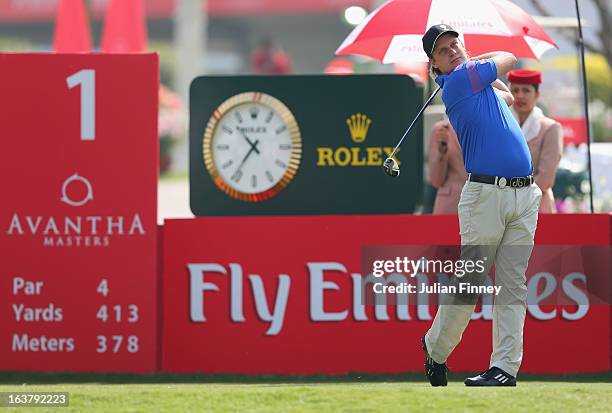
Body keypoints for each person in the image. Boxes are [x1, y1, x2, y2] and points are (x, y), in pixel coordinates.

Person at [420, 24, 542, 387]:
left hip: (524, 194)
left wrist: (477, 68)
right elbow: (509, 58)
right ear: (435, 67)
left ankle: (504, 368)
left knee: (512, 284)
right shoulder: (458, 82)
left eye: (455, 43)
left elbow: (505, 98)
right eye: (442, 50)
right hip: (485, 196)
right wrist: (478, 62)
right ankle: (436, 349)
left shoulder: (471, 81)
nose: (453, 50)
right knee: (470, 281)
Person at [508, 69, 563, 213]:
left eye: (526, 90)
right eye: (515, 90)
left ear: (537, 94)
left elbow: (546, 178)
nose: (520, 95)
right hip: (505, 208)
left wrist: (515, 197)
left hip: (537, 206)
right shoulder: (502, 127)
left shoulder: (550, 128)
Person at [428, 119, 467, 213]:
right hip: (449, 208)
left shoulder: (486, 128)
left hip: (480, 208)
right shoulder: (442, 129)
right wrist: (441, 152)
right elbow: (436, 180)